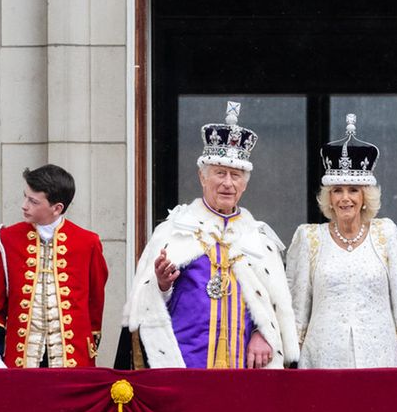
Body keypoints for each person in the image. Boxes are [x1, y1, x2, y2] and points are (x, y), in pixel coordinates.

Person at [119, 101, 297, 369]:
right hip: (183, 363)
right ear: (203, 177)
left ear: (244, 184)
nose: (227, 182)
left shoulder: (260, 240)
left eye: (235, 175)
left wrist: (264, 333)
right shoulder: (172, 231)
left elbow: (273, 307)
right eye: (219, 173)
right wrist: (162, 284)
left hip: (244, 370)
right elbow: (146, 306)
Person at [287, 114, 397, 368]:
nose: (345, 198)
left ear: (365, 196)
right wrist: (292, 359)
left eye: (353, 190)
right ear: (329, 197)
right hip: (323, 360)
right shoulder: (309, 237)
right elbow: (298, 305)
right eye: (338, 190)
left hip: (379, 358)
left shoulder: (386, 233)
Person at [0, 165, 108, 368]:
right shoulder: (6, 240)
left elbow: (95, 305)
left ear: (57, 208)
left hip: (73, 360)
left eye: (33, 201)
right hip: (21, 360)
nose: (24, 205)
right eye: (25, 197)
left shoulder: (88, 243)